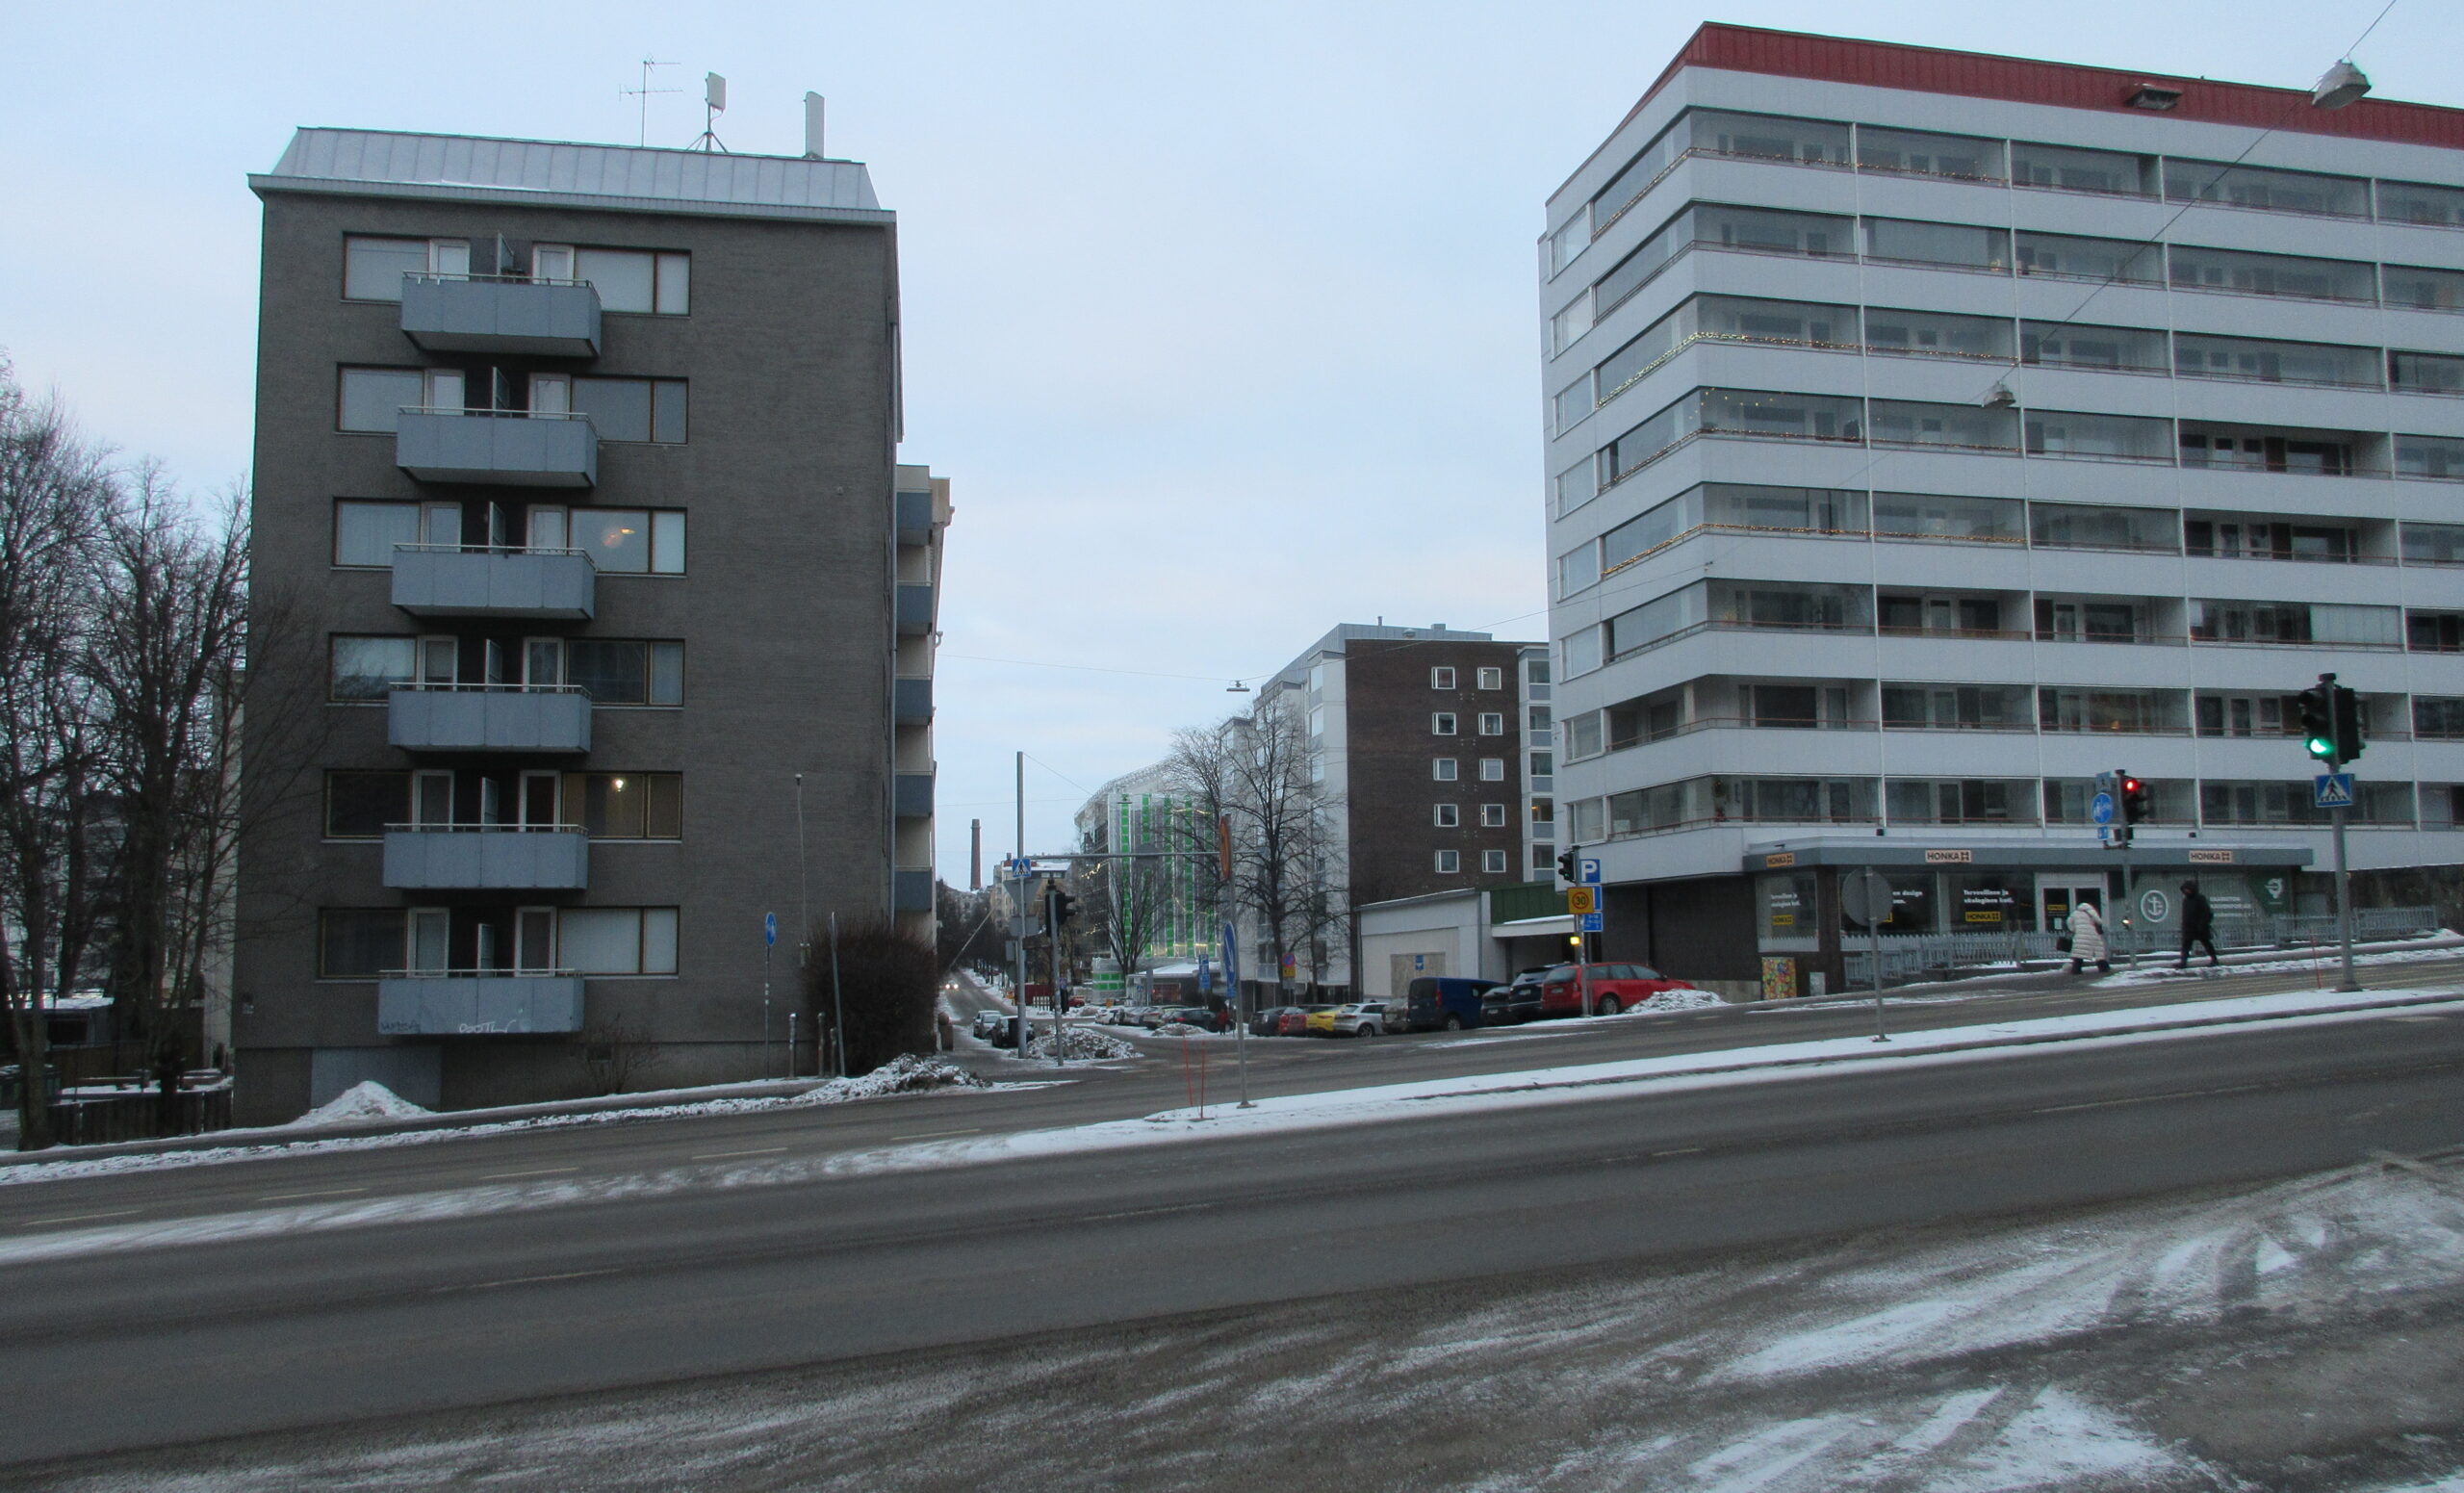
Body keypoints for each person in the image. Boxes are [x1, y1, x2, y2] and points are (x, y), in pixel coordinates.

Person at [2176, 880, 2220, 968]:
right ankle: (2183, 962)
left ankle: (2214, 959)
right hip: (2189, 927)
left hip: (2200, 926)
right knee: (2186, 945)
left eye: (2188, 889)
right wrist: (2184, 926)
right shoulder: (2186, 900)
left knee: (2206, 943)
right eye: (2185, 890)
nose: (2186, 891)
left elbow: (2207, 913)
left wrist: (2202, 924)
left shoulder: (2200, 898)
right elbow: (2185, 914)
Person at [2067, 898, 2110, 975]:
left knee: (2079, 953)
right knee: (2098, 952)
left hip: (2080, 935)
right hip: (2092, 934)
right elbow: (2099, 921)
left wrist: (2074, 929)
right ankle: (2103, 968)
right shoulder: (2091, 912)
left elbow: (2069, 922)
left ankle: (2076, 970)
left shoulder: (2075, 913)